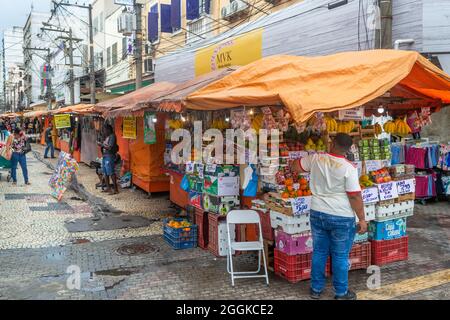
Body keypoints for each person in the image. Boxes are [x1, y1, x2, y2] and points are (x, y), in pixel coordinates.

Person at [292, 133, 367, 300]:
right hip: (341, 216)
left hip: (318, 213)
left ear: (332, 143)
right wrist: (362, 219)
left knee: (319, 252)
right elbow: (354, 196)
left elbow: (295, 166)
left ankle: (315, 289)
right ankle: (341, 293)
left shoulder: (316, 158)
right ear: (348, 150)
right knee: (340, 256)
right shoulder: (349, 168)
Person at [97, 124, 119, 195]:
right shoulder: (108, 137)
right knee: (105, 172)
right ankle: (108, 188)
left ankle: (115, 189)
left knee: (111, 172)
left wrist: (101, 145)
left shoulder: (112, 136)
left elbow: (110, 147)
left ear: (108, 130)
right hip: (105, 155)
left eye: (105, 130)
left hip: (109, 155)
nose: (104, 132)